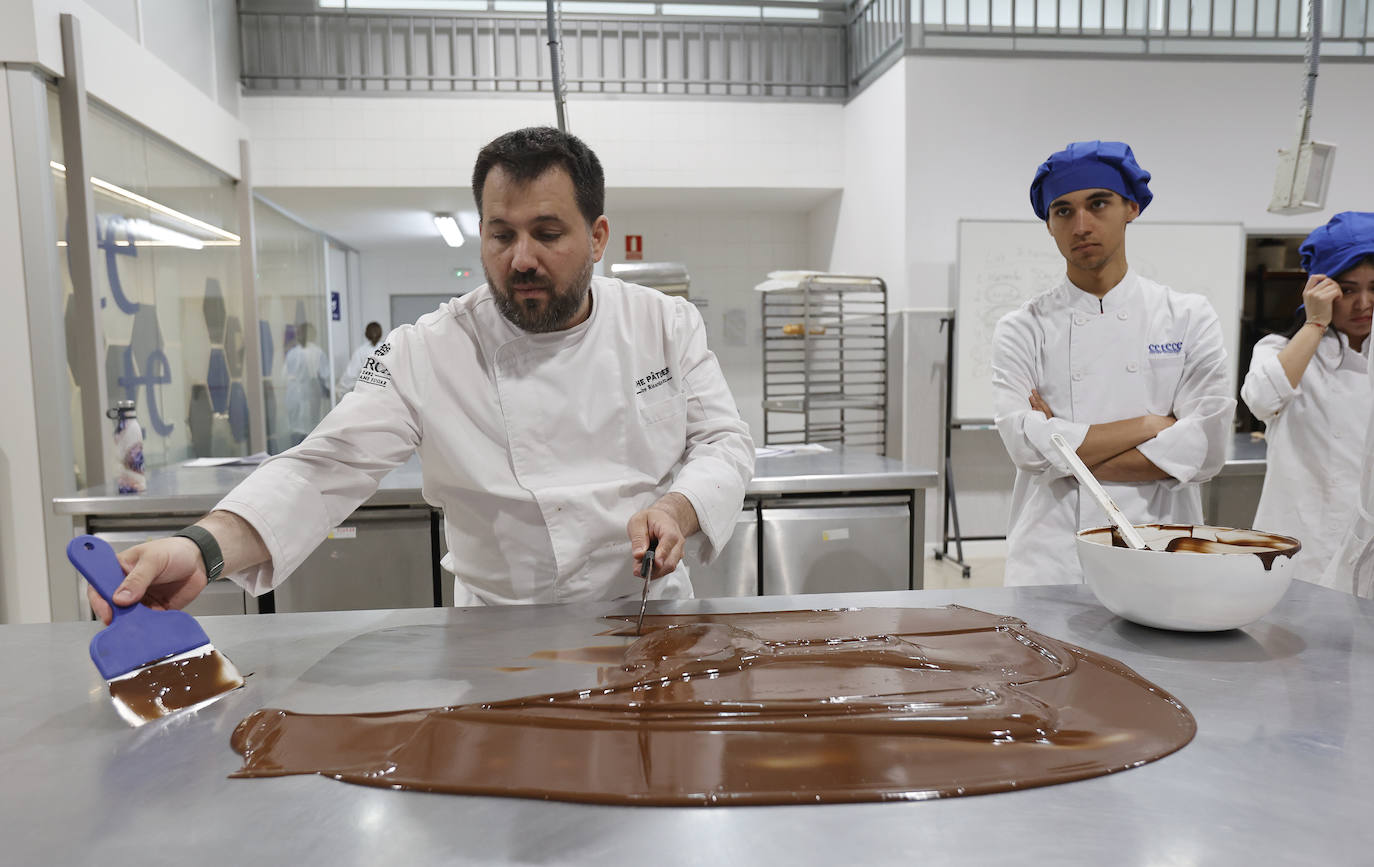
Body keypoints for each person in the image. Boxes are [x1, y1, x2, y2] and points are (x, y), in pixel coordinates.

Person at [90, 126, 755, 620]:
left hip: (647, 618)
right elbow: (320, 468)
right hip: (500, 636)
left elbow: (724, 443)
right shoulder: (429, 349)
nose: (521, 257)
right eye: (501, 234)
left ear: (599, 236)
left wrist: (678, 506)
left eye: (547, 233)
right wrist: (200, 548)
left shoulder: (663, 324)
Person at [991, 140, 1235, 585]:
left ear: (1131, 208)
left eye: (1097, 204)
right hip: (1052, 555)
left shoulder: (1186, 316)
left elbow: (1207, 450)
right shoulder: (1022, 327)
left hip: (1162, 545)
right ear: (1049, 224)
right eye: (1063, 211)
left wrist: (1060, 449)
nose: (1081, 224)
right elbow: (1025, 450)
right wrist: (1152, 426)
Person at [1244, 212, 1374, 589]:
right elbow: (1261, 399)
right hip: (1300, 548)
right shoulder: (1282, 350)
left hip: (1364, 554)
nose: (1363, 303)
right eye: (1347, 290)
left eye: (1373, 287)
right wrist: (1315, 323)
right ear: (1319, 289)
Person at [283, 322, 330, 447]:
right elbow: (326, 375)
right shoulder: (317, 351)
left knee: (296, 429)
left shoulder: (292, 352)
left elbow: (284, 375)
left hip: (293, 393)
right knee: (311, 430)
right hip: (311, 392)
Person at [337, 321, 384, 394]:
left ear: (366, 334)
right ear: (381, 334)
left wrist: (340, 390)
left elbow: (350, 376)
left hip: (367, 396)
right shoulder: (387, 349)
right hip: (386, 396)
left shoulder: (360, 352)